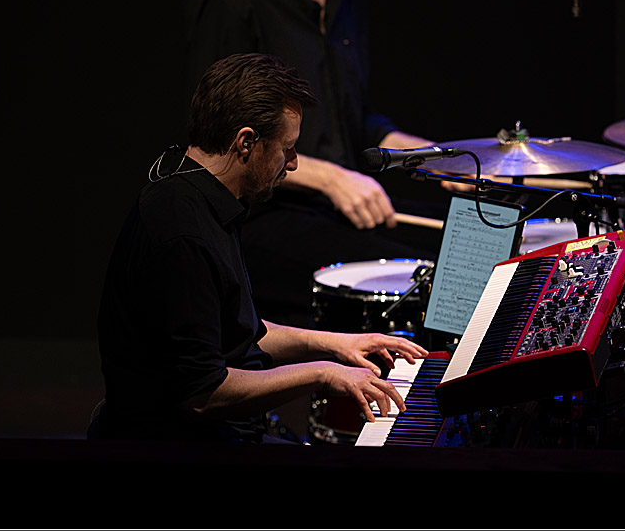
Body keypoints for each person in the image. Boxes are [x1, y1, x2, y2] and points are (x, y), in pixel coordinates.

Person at [94, 52, 428, 443]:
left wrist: (339, 345)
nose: (293, 164)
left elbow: (238, 332)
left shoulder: (204, 196)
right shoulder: (183, 232)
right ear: (246, 142)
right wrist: (321, 373)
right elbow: (202, 395)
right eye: (287, 148)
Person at [185, 0, 450, 324]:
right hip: (264, 219)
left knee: (470, 249)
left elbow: (353, 119)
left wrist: (439, 157)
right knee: (431, 279)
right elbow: (218, 144)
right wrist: (332, 178)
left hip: (334, 212)